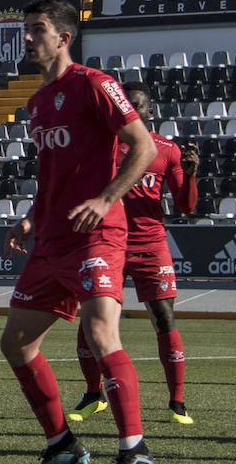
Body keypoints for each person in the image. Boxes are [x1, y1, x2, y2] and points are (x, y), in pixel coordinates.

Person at [0, 0, 159, 464]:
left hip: (97, 232)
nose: (27, 37)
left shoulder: (94, 84)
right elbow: (52, 175)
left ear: (63, 36)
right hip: (51, 237)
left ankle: (135, 451)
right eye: (25, 29)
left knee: (99, 334)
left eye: (36, 29)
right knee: (16, 343)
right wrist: (31, 217)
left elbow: (144, 146)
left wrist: (106, 196)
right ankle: (63, 444)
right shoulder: (38, 102)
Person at [69, 81, 199, 427]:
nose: (131, 109)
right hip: (108, 242)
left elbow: (185, 205)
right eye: (126, 103)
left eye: (138, 105)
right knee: (92, 319)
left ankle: (177, 402)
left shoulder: (166, 150)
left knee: (163, 318)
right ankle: (93, 395)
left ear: (149, 111)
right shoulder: (101, 147)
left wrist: (190, 174)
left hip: (150, 245)